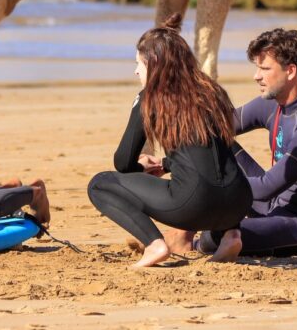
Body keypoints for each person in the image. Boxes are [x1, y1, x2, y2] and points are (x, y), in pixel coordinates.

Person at [86, 14, 253, 268]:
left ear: (153, 64)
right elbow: (207, 152)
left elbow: (122, 162)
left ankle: (154, 244)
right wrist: (165, 163)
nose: (136, 70)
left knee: (99, 184)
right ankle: (231, 235)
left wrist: (142, 169)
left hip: (194, 204)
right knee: (217, 176)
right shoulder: (212, 90)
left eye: (138, 64)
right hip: (239, 201)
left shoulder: (149, 97)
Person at [168, 28, 297, 258]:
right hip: (274, 205)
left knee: (212, 237)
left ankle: (191, 244)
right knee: (209, 138)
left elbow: (266, 188)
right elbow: (214, 126)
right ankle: (182, 235)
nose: (256, 76)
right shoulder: (273, 103)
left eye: (264, 69)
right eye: (257, 68)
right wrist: (167, 163)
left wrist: (211, 191)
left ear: (291, 71)